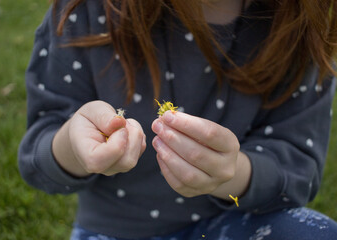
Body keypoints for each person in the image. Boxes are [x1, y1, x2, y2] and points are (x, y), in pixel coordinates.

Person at [18, 0, 337, 239]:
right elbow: (36, 159)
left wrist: (230, 174)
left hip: (234, 224)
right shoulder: (87, 12)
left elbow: (298, 173)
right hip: (115, 231)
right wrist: (74, 145)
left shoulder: (298, 29)